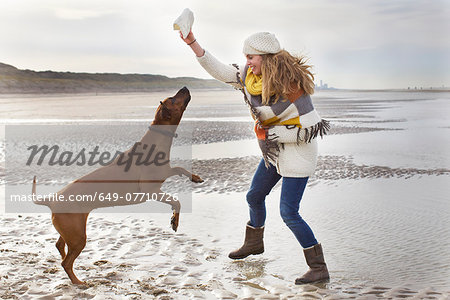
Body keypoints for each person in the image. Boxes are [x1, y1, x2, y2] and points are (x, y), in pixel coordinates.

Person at [179, 30, 330, 284]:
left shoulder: (293, 87)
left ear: (267, 58)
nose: (247, 62)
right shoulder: (250, 79)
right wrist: (192, 42)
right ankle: (254, 244)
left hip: (298, 153)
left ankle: (318, 268)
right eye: (245, 57)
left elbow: (308, 132)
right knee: (254, 195)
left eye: (251, 57)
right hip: (276, 150)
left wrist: (272, 133)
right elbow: (219, 70)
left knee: (289, 212)